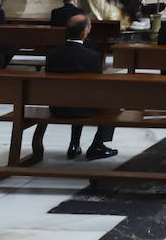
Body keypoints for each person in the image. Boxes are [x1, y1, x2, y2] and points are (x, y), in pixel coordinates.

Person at [42, 15, 117, 160]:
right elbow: (97, 86)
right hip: (83, 108)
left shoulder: (53, 54)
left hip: (57, 107)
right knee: (112, 103)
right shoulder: (92, 56)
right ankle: (97, 145)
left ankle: (74, 144)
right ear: (85, 33)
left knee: (77, 96)